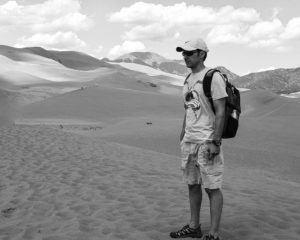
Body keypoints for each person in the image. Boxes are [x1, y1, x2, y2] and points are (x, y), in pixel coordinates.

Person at [170, 38, 227, 240]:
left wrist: (216, 141)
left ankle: (214, 233)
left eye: (189, 53)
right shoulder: (187, 80)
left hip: (207, 140)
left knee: (212, 187)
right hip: (190, 140)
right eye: (183, 53)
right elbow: (188, 109)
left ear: (202, 54)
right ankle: (194, 227)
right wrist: (182, 132)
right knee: (192, 184)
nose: (184, 56)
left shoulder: (213, 77)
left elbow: (221, 111)